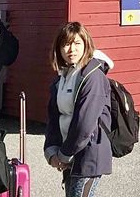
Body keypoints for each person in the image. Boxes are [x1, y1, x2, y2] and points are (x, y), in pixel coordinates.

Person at [44, 22, 113, 197]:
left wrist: (64, 155)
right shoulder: (62, 77)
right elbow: (54, 116)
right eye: (66, 44)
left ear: (86, 45)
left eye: (77, 43)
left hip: (88, 155)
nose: (71, 49)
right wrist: (51, 150)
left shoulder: (93, 77)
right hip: (68, 154)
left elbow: (84, 124)